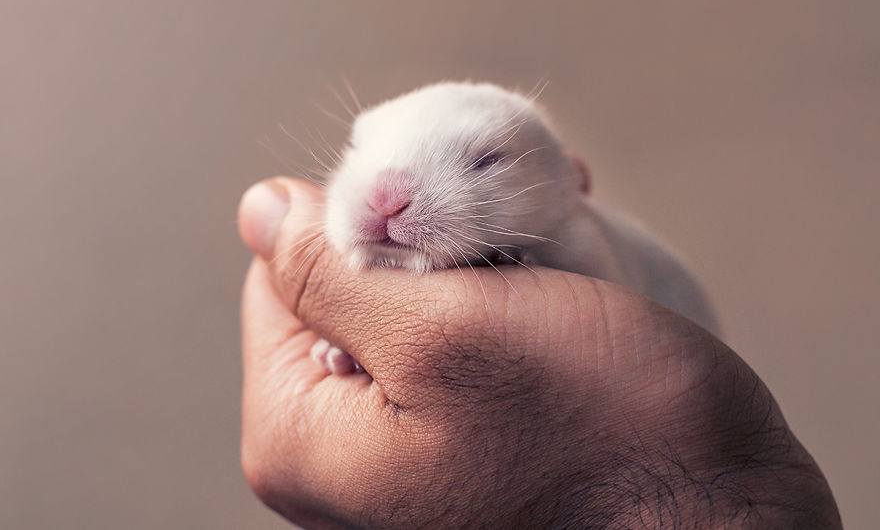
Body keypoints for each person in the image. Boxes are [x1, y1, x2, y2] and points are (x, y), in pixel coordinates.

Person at [237, 177, 841, 529]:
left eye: (482, 162)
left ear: (566, 180)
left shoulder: (585, 244)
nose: (389, 198)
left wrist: (663, 494)